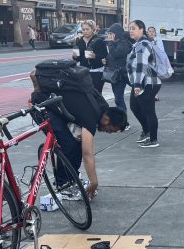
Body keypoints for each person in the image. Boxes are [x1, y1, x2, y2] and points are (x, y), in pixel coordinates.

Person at [30, 68, 128, 200]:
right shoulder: (91, 116)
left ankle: (71, 177)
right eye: (110, 130)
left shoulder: (102, 105)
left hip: (55, 106)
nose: (107, 132)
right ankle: (63, 184)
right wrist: (94, 181)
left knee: (76, 143)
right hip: (42, 107)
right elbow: (88, 154)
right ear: (107, 120)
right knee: (69, 145)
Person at [127, 19, 163, 148]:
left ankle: (153, 139)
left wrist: (137, 85)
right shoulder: (138, 44)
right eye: (129, 28)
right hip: (141, 82)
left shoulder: (143, 44)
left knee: (148, 111)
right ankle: (147, 131)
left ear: (141, 29)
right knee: (135, 107)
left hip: (147, 83)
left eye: (133, 28)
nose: (130, 30)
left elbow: (141, 66)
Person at [103, 22, 131, 118]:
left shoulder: (124, 43)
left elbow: (116, 54)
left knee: (119, 99)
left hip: (121, 75)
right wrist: (105, 61)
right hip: (114, 74)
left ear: (117, 33)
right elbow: (111, 56)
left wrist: (110, 43)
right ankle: (121, 120)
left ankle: (124, 121)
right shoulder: (115, 43)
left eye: (112, 33)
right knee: (117, 98)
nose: (110, 36)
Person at [74, 21, 108, 94]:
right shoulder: (79, 42)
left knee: (97, 94)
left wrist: (95, 56)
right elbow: (77, 59)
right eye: (83, 29)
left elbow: (105, 56)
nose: (85, 31)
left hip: (97, 72)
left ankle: (99, 105)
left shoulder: (99, 41)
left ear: (92, 29)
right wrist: (75, 56)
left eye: (87, 29)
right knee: (86, 94)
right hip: (84, 72)